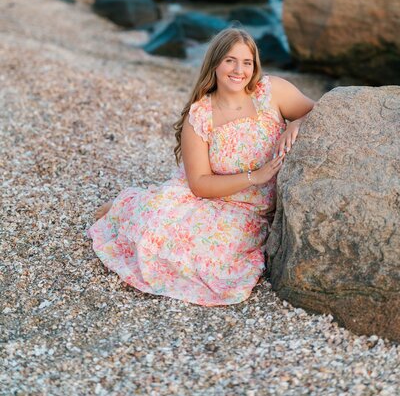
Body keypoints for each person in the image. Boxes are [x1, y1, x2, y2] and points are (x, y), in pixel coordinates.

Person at [87, 28, 314, 306]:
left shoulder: (271, 92)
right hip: (211, 196)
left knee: (215, 262)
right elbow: (200, 184)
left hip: (251, 211)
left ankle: (135, 205)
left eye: (247, 62)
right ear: (215, 63)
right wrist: (255, 177)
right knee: (155, 227)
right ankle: (126, 206)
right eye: (230, 60)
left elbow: (320, 109)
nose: (238, 70)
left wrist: (296, 123)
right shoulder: (200, 115)